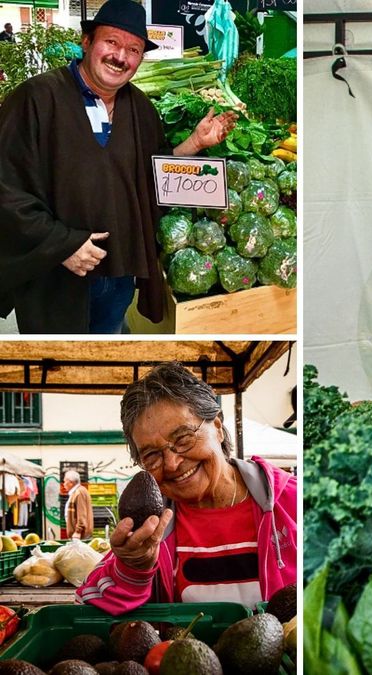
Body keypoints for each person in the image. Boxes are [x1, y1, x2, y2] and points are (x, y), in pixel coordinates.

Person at [0, 0, 236, 334]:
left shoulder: (140, 108)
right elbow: (6, 188)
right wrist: (61, 244)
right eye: (111, 42)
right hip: (55, 279)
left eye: (134, 49)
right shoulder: (35, 99)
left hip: (119, 273)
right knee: (59, 364)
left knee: (109, 342)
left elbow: (153, 179)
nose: (120, 57)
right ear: (87, 42)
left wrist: (195, 144)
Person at [77, 363, 297, 612]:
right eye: (151, 455)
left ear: (216, 427)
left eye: (183, 439)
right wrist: (133, 568)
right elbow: (87, 604)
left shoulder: (292, 501)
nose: (172, 464)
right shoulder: (151, 529)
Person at [62, 470, 94, 540]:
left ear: (71, 482)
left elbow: (82, 513)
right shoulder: (77, 492)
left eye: (65, 481)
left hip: (80, 535)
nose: (63, 484)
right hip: (78, 535)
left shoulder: (79, 492)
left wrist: (78, 531)